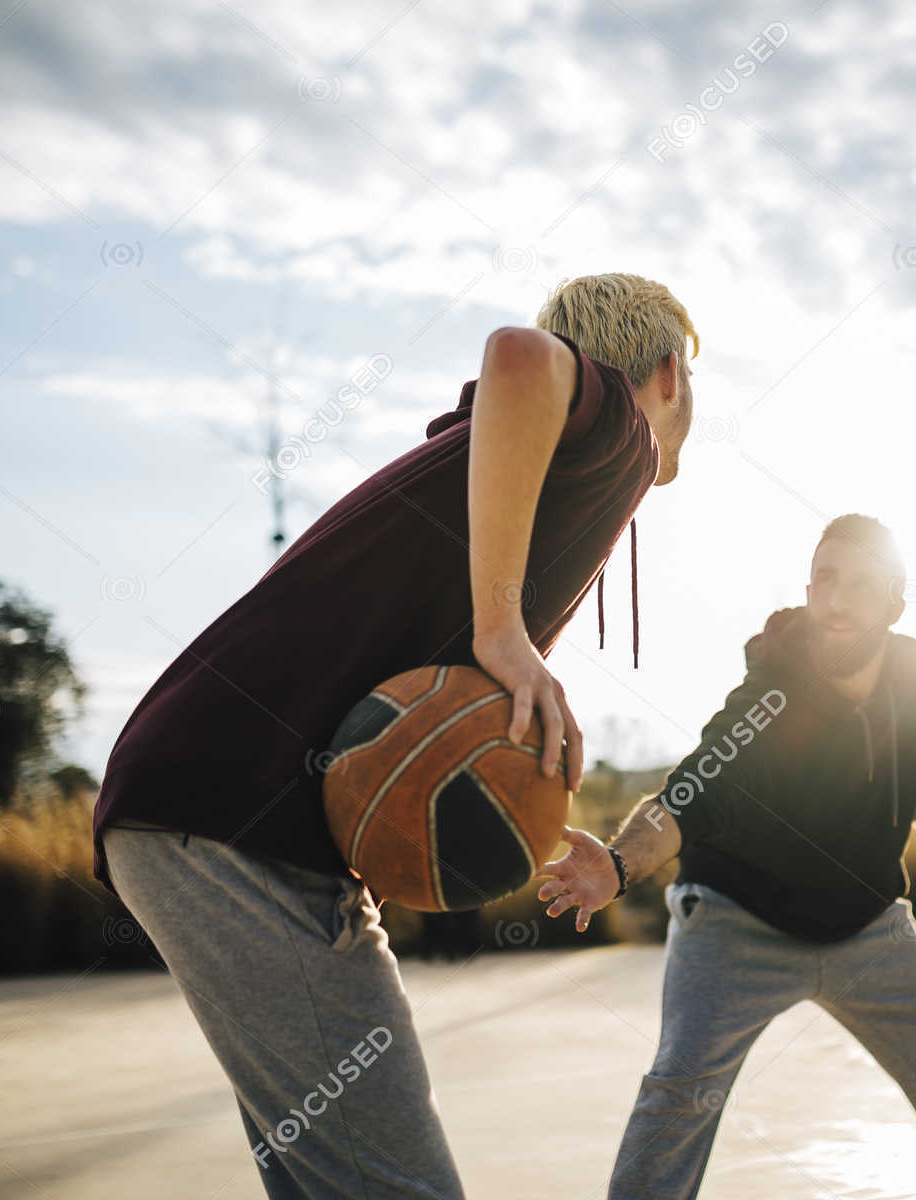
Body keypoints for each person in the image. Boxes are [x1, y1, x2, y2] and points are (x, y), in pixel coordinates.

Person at [91, 273, 698, 1198]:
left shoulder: (508, 462)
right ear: (666, 372)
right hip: (231, 815)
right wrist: (503, 630)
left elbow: (433, 711)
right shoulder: (616, 424)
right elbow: (518, 354)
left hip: (208, 798)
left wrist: (499, 801)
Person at [537, 514, 916, 1200]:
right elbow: (687, 794)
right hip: (733, 920)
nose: (837, 602)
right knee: (680, 1089)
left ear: (895, 602)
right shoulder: (768, 701)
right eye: (825, 581)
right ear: (809, 590)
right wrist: (621, 864)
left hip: (867, 923)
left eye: (860, 585)